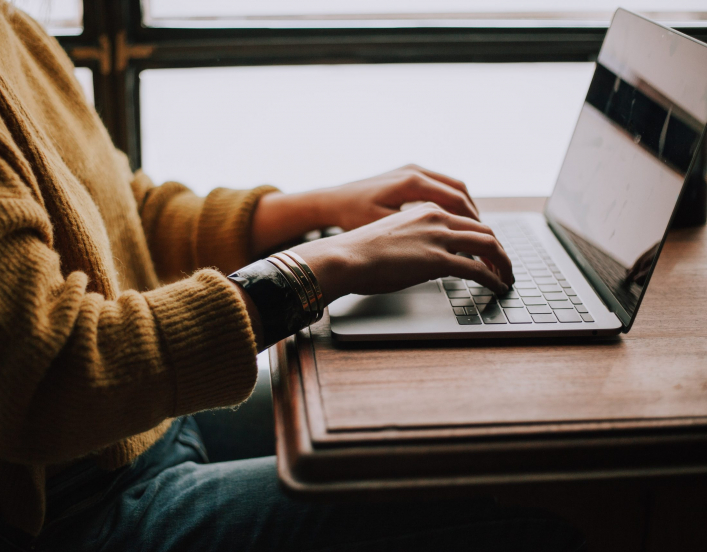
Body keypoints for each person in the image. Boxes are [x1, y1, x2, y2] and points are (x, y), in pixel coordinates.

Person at [0, 3, 585, 551]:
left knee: (466, 437)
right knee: (514, 516)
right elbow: (53, 374)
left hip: (142, 427)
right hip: (76, 509)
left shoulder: (12, 26)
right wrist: (329, 264)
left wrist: (322, 208)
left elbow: (124, 217)